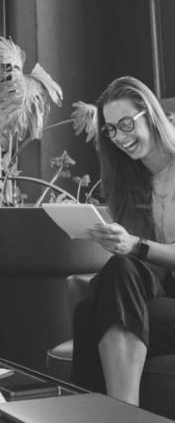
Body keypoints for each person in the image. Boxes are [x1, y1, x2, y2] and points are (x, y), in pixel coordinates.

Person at [72, 76, 175, 405]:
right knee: (100, 295)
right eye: (111, 129)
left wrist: (136, 245)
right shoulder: (129, 181)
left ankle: (116, 416)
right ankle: (118, 414)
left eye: (127, 123)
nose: (120, 136)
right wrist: (118, 242)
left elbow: (139, 250)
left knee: (98, 304)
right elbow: (140, 269)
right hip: (165, 300)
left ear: (150, 113)